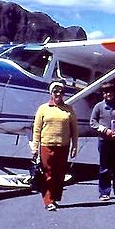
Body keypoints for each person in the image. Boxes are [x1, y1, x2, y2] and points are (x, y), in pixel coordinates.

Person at [31, 80, 79, 211]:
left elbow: (74, 130)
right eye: (55, 91)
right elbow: (36, 130)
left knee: (60, 174)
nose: (58, 93)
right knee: (48, 174)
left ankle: (55, 197)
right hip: (47, 145)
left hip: (63, 146)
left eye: (61, 91)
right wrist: (35, 148)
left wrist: (74, 146)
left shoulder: (69, 109)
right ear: (51, 93)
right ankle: (48, 201)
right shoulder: (43, 109)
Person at [90, 82, 115, 201]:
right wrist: (104, 130)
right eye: (105, 92)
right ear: (103, 94)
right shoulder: (99, 107)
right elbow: (93, 122)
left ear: (114, 93)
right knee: (104, 167)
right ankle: (104, 192)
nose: (108, 94)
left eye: (110, 92)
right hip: (104, 140)